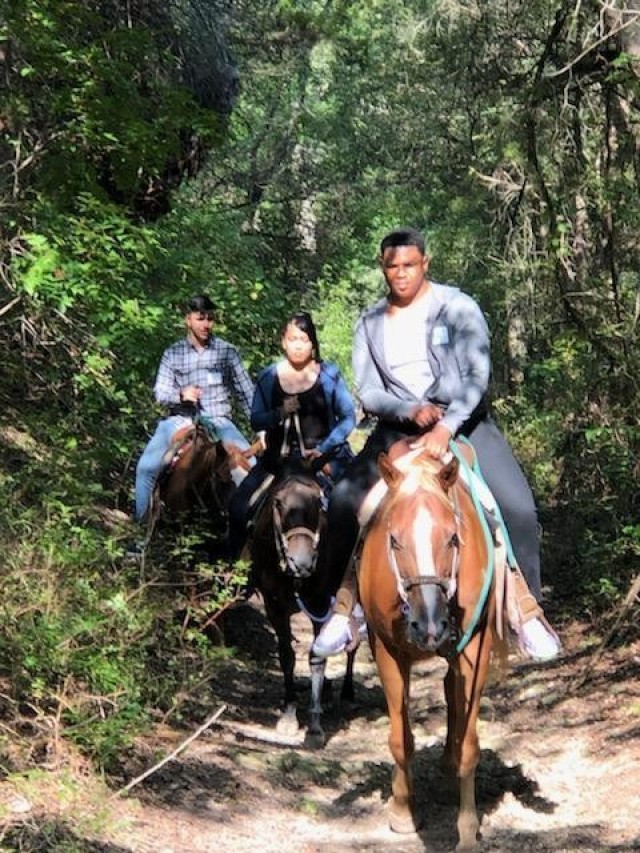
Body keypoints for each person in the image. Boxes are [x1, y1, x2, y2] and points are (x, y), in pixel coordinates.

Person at [312, 227, 561, 662]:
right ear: (383, 268)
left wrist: (446, 426)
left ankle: (527, 610)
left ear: (425, 263)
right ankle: (342, 610)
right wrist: (408, 410)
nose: (401, 275)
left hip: (463, 425)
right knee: (345, 502)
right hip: (397, 429)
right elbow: (368, 390)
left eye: (409, 265)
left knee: (516, 505)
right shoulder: (369, 322)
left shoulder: (458, 307)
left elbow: (476, 376)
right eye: (392, 267)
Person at [228, 311, 356, 558]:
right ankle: (239, 574)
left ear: (313, 344)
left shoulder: (329, 375)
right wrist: (279, 413)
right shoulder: (268, 377)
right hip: (277, 461)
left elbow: (348, 417)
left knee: (353, 506)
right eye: (293, 339)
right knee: (239, 506)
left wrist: (325, 447)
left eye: (304, 340)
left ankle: (348, 575)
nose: (298, 345)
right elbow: (256, 419)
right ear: (283, 341)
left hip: (324, 459)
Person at [133, 294, 254, 525]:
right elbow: (160, 392)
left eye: (210, 319)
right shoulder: (173, 353)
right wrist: (181, 395)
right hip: (180, 421)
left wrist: (261, 429)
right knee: (146, 469)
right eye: (200, 318)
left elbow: (247, 393)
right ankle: (140, 535)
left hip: (220, 421)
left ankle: (248, 533)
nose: (206, 324)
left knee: (254, 468)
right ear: (188, 319)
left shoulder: (228, 352)